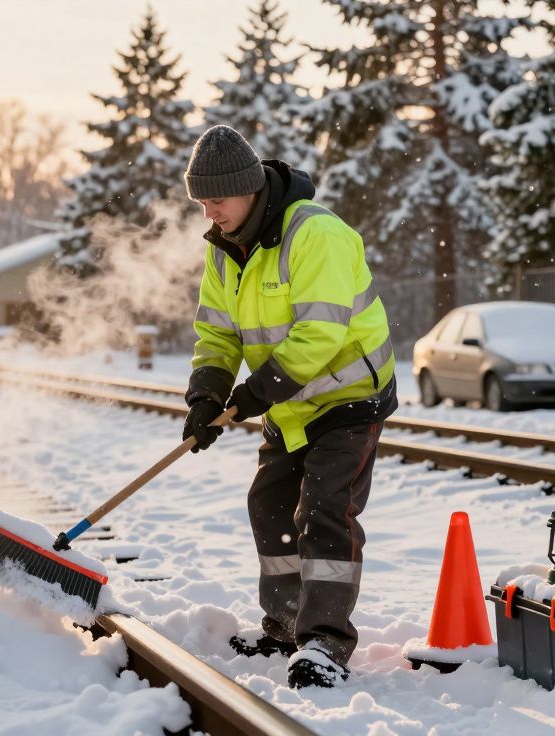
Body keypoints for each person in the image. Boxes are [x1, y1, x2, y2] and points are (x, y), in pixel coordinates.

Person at [180, 125, 398, 689]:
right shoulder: (225, 250)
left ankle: (324, 639)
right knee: (270, 504)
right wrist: (206, 394)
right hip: (291, 405)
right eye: (201, 201)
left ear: (248, 188)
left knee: (325, 510)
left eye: (217, 199)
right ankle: (284, 624)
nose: (210, 210)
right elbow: (218, 333)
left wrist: (257, 390)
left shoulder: (315, 233)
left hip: (349, 397)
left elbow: (322, 331)